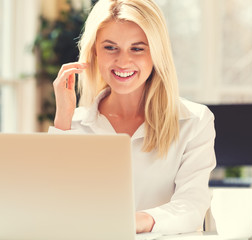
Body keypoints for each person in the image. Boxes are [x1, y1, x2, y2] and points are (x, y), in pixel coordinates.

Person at [49, 0, 216, 234]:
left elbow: (192, 205)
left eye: (137, 48)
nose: (123, 61)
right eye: (110, 48)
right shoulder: (73, 125)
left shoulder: (194, 121)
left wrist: (131, 222)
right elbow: (53, 207)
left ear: (156, 53)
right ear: (94, 52)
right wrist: (63, 121)